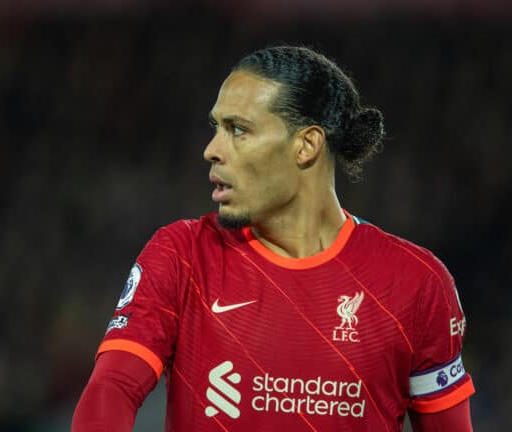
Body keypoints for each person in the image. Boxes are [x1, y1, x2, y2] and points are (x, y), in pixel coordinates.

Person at [72, 46, 474, 431]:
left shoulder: (415, 283)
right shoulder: (183, 256)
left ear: (306, 145)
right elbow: (113, 389)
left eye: (238, 130)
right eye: (216, 127)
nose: (211, 150)